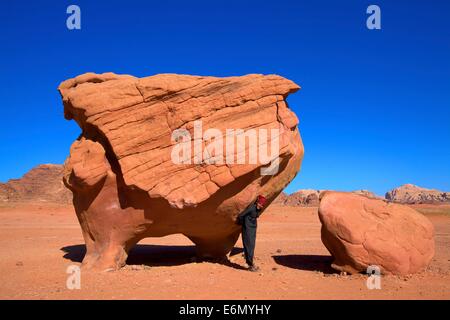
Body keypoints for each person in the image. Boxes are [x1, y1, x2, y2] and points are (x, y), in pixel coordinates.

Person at [236, 195, 267, 272]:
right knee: (248, 246)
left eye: (262, 205)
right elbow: (241, 215)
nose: (261, 206)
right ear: (257, 203)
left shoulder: (258, 210)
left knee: (252, 246)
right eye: (260, 204)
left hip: (253, 230)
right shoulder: (252, 208)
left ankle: (250, 263)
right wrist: (242, 224)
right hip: (247, 230)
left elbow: (256, 216)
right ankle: (250, 264)